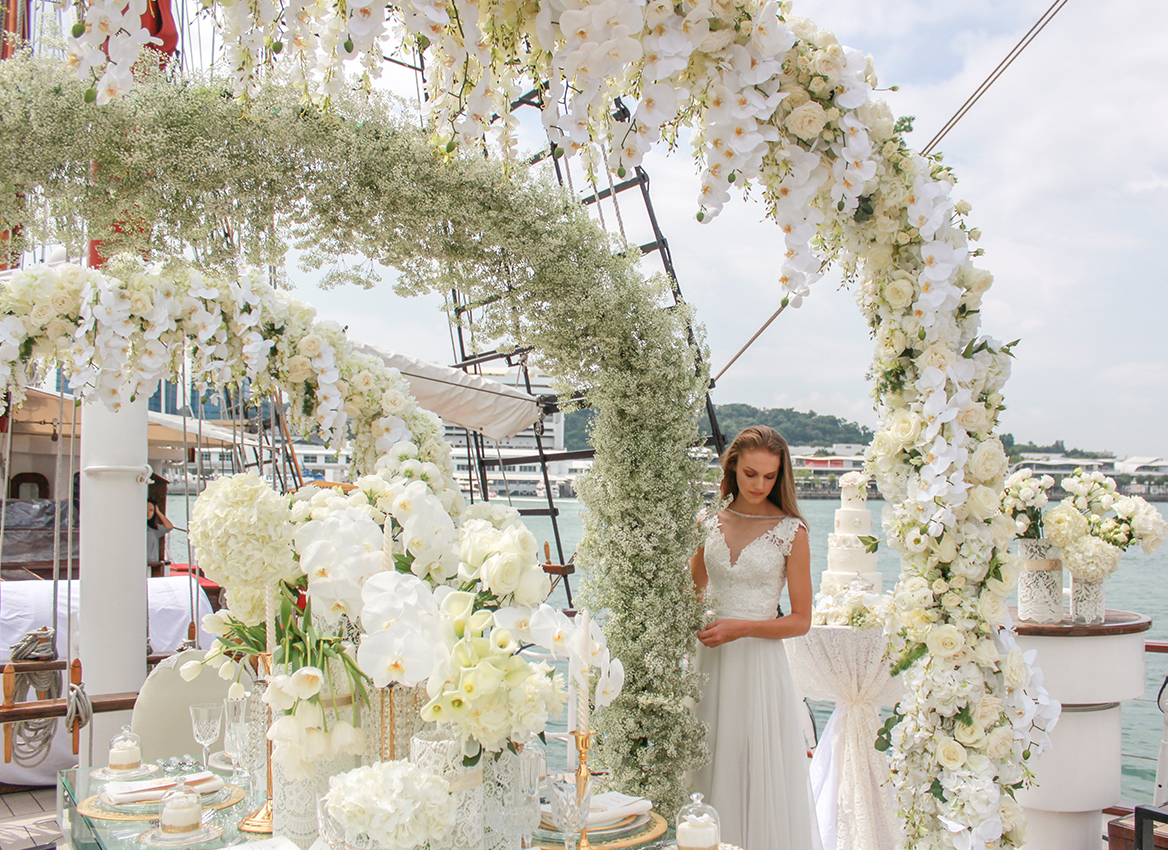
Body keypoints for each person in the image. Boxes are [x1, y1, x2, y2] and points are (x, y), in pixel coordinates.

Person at [690, 425, 820, 850]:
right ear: (731, 468)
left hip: (758, 666)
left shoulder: (791, 532)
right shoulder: (707, 521)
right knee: (704, 758)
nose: (759, 485)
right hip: (708, 658)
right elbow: (691, 591)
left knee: (752, 765)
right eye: (750, 474)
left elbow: (801, 620)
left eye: (769, 477)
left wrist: (742, 628)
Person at [146, 496, 175, 566]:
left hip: (151, 563)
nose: (148, 512)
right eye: (146, 509)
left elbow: (169, 527)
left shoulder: (154, 529)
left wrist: (158, 512)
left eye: (151, 510)